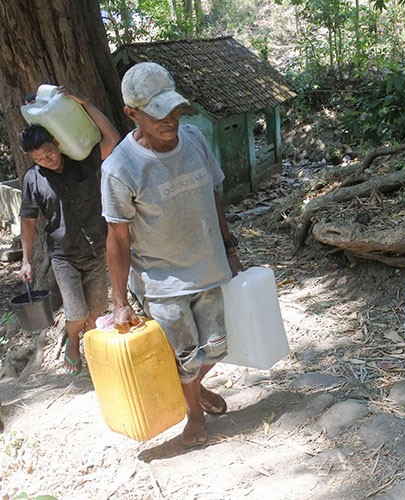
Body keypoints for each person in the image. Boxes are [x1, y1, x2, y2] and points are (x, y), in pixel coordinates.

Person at [101, 62, 242, 448]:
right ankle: (193, 415)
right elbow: (117, 238)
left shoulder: (195, 139)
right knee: (183, 357)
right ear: (132, 113)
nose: (171, 120)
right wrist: (118, 302)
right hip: (162, 283)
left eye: (175, 110)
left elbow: (214, 196)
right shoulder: (120, 168)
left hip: (209, 267)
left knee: (215, 347)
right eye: (159, 113)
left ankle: (192, 389)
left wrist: (230, 249)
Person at [18, 88, 120, 375]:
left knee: (96, 312)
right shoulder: (32, 179)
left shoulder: (82, 160)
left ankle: (93, 353)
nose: (47, 160)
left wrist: (85, 102)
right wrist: (26, 260)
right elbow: (28, 220)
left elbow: (112, 139)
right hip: (63, 256)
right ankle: (72, 343)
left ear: (56, 141)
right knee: (76, 313)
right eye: (39, 158)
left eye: (49, 152)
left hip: (96, 250)